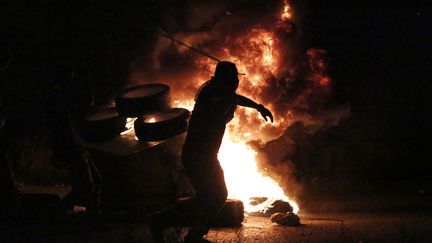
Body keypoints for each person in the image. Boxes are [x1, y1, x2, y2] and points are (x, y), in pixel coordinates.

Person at [151, 61, 273, 243]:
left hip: (204, 155)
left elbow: (236, 98)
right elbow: (227, 101)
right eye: (232, 79)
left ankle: (176, 226)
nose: (235, 83)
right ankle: (168, 222)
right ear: (226, 80)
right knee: (217, 194)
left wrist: (257, 106)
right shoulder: (214, 96)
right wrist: (249, 106)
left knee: (209, 196)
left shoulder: (218, 92)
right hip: (200, 155)